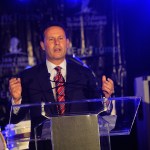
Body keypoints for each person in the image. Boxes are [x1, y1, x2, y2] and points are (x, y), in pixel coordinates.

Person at [9, 21, 114, 150]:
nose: (57, 43)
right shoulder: (29, 77)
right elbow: (16, 118)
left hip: (82, 143)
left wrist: (106, 98)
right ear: (43, 45)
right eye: (51, 39)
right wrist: (16, 99)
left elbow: (98, 110)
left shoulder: (85, 74)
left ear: (67, 43)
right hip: (44, 146)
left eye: (60, 38)